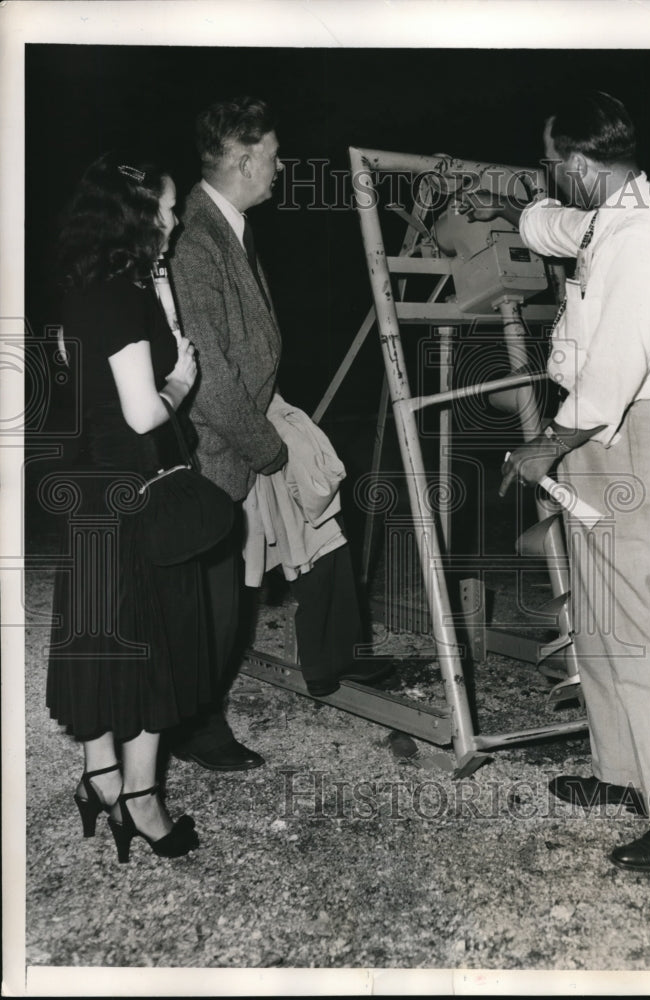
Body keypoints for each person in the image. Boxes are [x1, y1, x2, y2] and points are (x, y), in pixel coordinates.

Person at [460, 91, 650, 872]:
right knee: (602, 615)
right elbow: (552, 224)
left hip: (630, 435)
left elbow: (611, 375)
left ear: (581, 163)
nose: (549, 173)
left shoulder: (646, 237)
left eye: (552, 163)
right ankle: (624, 774)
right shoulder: (609, 211)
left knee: (647, 620)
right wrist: (504, 201)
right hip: (597, 436)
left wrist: (544, 446)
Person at [169, 97, 388, 771]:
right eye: (271, 153)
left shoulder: (229, 226)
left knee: (319, 517)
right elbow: (205, 370)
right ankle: (194, 724)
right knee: (217, 596)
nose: (280, 165)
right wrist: (266, 448)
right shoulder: (196, 239)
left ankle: (333, 660)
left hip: (253, 422)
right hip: (219, 446)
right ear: (240, 158)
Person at [46, 152, 208, 861]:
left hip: (88, 493)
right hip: (135, 497)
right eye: (165, 207)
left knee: (99, 645)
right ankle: (140, 802)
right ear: (134, 213)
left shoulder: (82, 292)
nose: (173, 218)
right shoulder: (122, 295)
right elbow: (144, 413)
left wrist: (160, 280)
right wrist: (181, 382)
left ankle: (102, 780)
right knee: (149, 649)